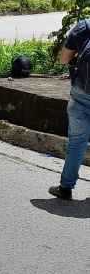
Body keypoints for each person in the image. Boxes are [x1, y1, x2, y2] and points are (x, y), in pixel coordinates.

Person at [49, 20, 90, 200]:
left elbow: (64, 59)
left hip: (82, 92)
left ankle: (66, 187)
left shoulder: (85, 26)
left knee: (77, 142)